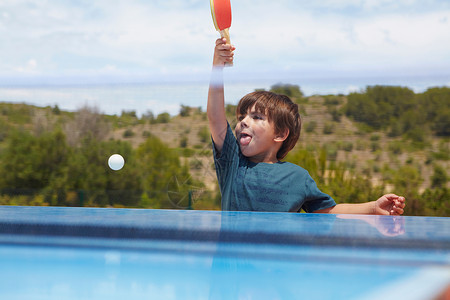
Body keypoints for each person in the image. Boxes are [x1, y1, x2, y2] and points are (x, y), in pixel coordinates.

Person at [207, 38, 406, 214]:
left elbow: (328, 211)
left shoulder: (298, 177)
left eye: (257, 117)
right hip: (229, 256)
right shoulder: (233, 162)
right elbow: (216, 118)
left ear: (280, 134)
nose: (243, 121)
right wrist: (218, 66)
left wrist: (372, 208)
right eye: (242, 116)